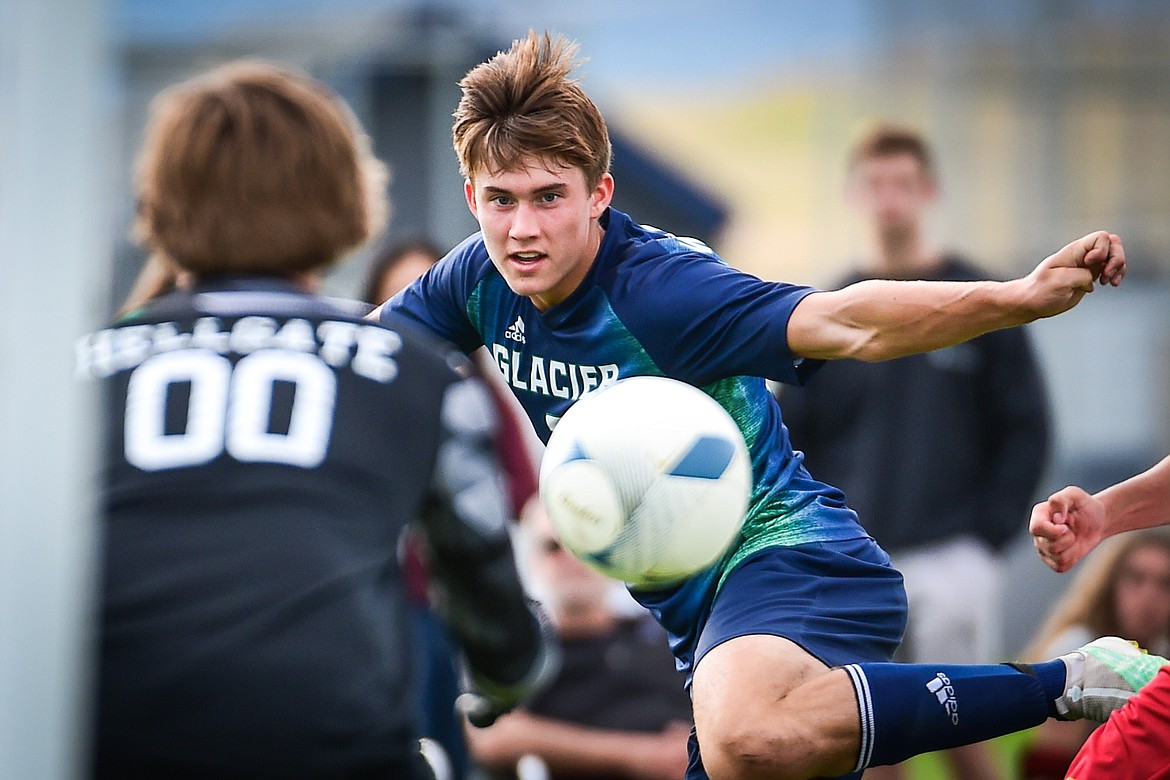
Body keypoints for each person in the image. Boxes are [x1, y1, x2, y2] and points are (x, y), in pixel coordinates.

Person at [374, 31, 1160, 780]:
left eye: (551, 197)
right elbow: (354, 360)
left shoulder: (659, 290)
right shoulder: (472, 279)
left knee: (745, 736)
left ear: (600, 194)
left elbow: (847, 321)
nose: (523, 228)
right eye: (501, 201)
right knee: (745, 747)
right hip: (695, 618)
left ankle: (1071, 680)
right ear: (472, 196)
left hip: (792, 559)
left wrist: (1017, 296)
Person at [79, 60, 553, 779]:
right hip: (334, 749)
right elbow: (488, 599)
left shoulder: (79, 374)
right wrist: (512, 670)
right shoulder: (420, 374)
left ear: (161, 204)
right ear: (346, 197)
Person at [780, 124, 1052, 780]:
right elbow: (788, 439)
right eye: (877, 185)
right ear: (855, 194)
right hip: (854, 557)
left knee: (967, 724)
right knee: (873, 735)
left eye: (903, 184)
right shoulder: (828, 313)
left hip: (953, 554)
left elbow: (1026, 428)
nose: (890, 198)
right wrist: (818, 541)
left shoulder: (979, 302)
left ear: (928, 190)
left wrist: (986, 537)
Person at [360, 237, 543, 780]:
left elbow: (522, 497)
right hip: (386, 610)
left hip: (464, 614)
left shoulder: (484, 397)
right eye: (400, 302)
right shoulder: (357, 397)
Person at [466, 497, 693, 779]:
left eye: (585, 544)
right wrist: (640, 756)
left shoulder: (669, 632)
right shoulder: (519, 653)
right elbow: (490, 736)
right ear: (528, 561)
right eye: (553, 547)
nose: (572, 560)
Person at [1030, 455, 1170, 779]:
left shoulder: (1164, 649)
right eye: (1136, 579)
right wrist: (1104, 512)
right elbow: (1046, 764)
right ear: (1110, 584)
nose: (1148, 596)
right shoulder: (1081, 650)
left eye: (1164, 584)